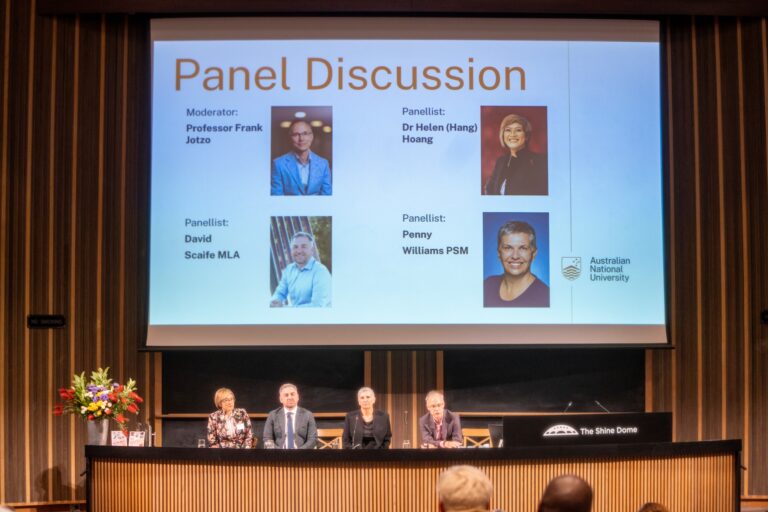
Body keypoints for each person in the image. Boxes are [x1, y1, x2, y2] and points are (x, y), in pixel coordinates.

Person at [484, 220, 549, 308]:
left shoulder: (545, 297)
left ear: (533, 254)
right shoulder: (487, 285)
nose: (515, 256)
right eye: (508, 248)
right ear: (499, 253)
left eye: (523, 248)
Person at [484, 113, 547, 195]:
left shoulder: (539, 161)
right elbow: (490, 190)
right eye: (508, 130)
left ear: (526, 136)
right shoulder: (501, 161)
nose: (512, 134)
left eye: (518, 130)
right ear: (503, 135)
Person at [270, 231, 331, 307]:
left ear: (312, 250)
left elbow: (317, 306)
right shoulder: (289, 270)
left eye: (303, 246)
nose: (299, 251)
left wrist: (284, 308)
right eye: (295, 247)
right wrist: (275, 301)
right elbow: (280, 292)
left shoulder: (320, 272)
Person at [271, 119, 332, 195]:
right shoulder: (278, 164)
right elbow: (277, 199)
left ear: (311, 137)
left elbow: (326, 198)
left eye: (305, 133)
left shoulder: (323, 164)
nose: (301, 139)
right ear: (290, 138)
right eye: (296, 134)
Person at [262, 383, 318, 449]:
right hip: (278, 456)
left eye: (292, 394)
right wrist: (280, 453)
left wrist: (300, 452)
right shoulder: (273, 415)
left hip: (301, 455)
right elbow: (267, 439)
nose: (290, 397)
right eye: (286, 395)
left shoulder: (308, 415)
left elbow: (313, 439)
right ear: (281, 399)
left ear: (298, 397)